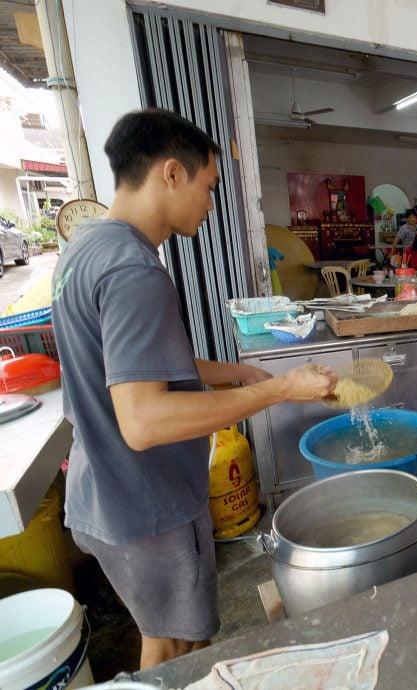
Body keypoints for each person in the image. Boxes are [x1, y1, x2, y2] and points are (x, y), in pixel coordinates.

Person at [50, 108, 337, 669]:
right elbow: (145, 420)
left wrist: (237, 373)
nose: (210, 204)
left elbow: (133, 366)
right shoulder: (134, 271)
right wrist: (280, 390)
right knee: (175, 650)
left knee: (170, 638)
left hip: (102, 492)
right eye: (208, 187)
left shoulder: (87, 249)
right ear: (171, 173)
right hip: (144, 502)